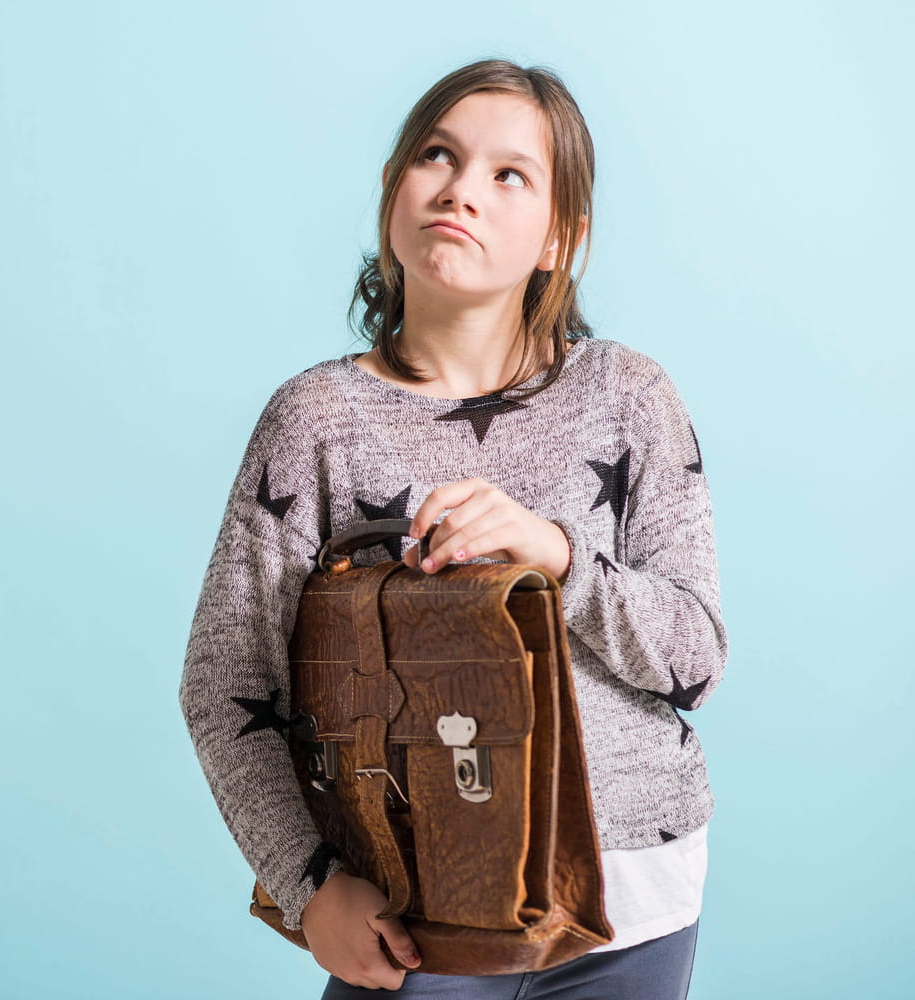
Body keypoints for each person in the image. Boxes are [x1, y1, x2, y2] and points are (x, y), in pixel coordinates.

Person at [178, 58, 727, 999]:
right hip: (414, 909)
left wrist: (557, 557)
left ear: (560, 237)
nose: (462, 189)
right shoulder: (316, 421)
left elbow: (696, 661)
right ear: (394, 187)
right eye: (438, 155)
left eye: (510, 173)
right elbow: (225, 685)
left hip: (640, 899)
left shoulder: (628, 395)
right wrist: (310, 886)